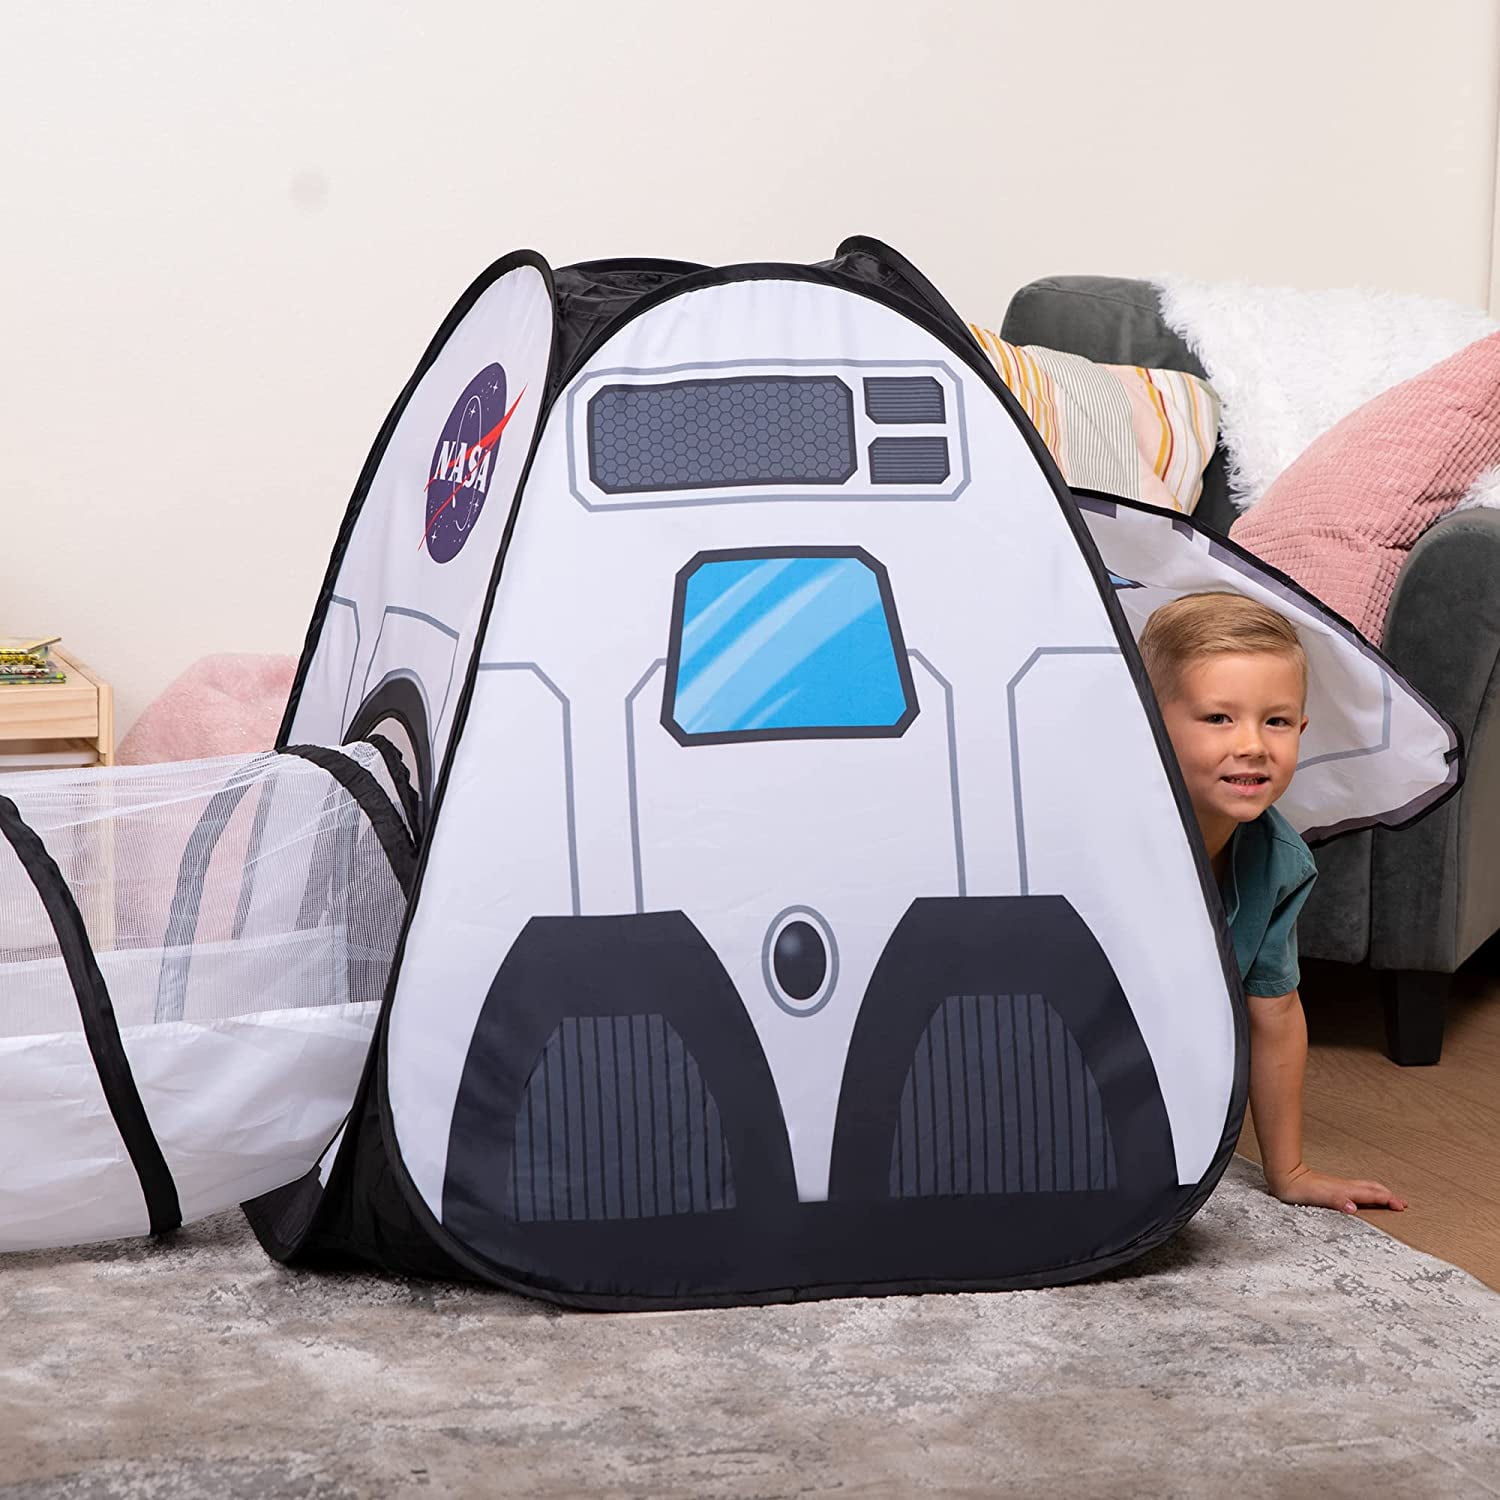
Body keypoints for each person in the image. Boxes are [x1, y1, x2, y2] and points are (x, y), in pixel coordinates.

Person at [1139, 591, 1407, 1215]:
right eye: (1219, 718)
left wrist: (1289, 1170)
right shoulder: (1112, 836)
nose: (1254, 745)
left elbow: (1276, 1010)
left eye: (1277, 722)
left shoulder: (1279, 862)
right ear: (1147, 723)